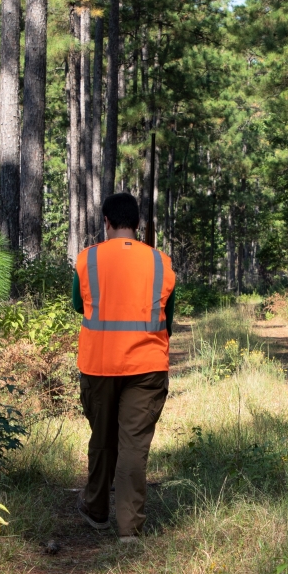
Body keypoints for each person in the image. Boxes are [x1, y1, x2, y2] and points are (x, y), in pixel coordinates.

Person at [71, 192, 176, 543]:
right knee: (134, 446)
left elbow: (78, 304)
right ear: (138, 225)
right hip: (146, 367)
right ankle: (129, 529)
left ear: (106, 222)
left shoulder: (88, 258)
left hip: (99, 364)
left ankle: (97, 510)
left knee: (102, 439)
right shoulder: (161, 261)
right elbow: (168, 317)